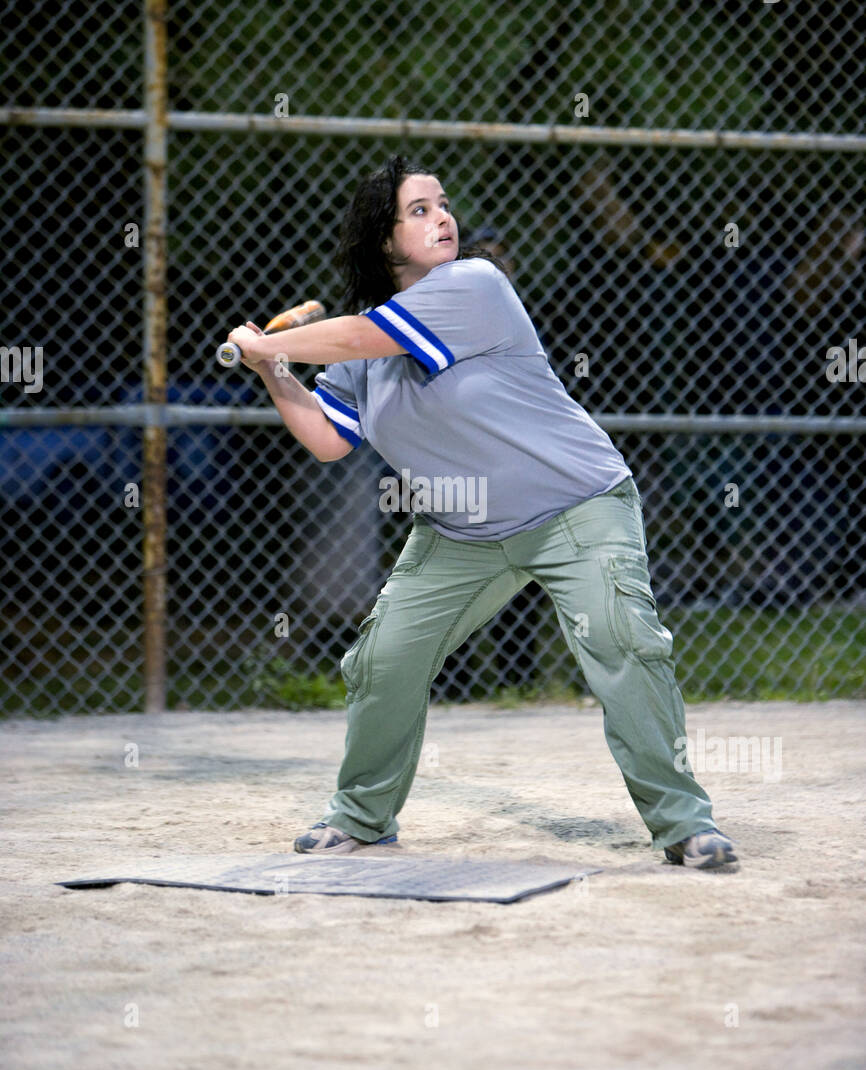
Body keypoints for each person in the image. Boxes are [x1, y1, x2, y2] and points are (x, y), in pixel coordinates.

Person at [226, 155, 739, 872]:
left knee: (625, 641)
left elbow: (350, 337)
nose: (443, 218)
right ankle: (363, 817)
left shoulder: (473, 285)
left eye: (442, 204)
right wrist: (272, 371)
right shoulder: (364, 353)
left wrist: (267, 342)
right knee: (384, 661)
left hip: (576, 507)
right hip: (460, 532)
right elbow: (326, 440)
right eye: (418, 211)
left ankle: (684, 823)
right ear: (382, 242)